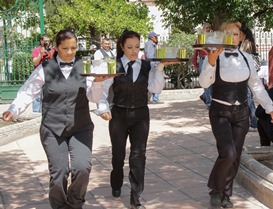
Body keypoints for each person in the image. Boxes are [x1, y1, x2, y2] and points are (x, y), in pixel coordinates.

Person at [2, 29, 108, 209]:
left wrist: (98, 82)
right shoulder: (45, 69)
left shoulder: (85, 67)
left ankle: (75, 203)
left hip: (80, 127)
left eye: (73, 48)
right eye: (65, 48)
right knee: (59, 172)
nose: (69, 52)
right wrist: (13, 110)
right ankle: (59, 205)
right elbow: (28, 92)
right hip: (53, 129)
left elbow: (94, 97)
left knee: (82, 168)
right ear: (57, 48)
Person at [198, 20, 273, 208]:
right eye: (229, 34)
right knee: (228, 153)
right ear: (222, 35)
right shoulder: (214, 57)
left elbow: (256, 86)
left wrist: (270, 107)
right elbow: (203, 83)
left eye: (236, 34)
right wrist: (210, 63)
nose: (233, 37)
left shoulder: (247, 58)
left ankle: (225, 194)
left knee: (236, 156)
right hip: (220, 112)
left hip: (241, 113)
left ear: (240, 36)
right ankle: (215, 188)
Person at [97, 30, 178, 209]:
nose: (134, 51)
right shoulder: (114, 65)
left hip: (141, 115)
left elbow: (155, 89)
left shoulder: (147, 66)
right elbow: (102, 90)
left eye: (137, 47)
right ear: (122, 47)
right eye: (129, 47)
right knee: (118, 155)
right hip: (118, 115)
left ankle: (136, 197)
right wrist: (102, 108)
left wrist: (160, 68)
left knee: (138, 155)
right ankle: (116, 182)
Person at [239, 23, 260, 132]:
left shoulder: (246, 44)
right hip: (249, 72)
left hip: (247, 73)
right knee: (248, 97)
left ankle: (254, 122)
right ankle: (252, 122)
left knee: (248, 98)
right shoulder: (248, 42)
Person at [31, 34, 55, 113]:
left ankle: (47, 112)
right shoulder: (36, 50)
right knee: (37, 96)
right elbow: (35, 62)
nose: (47, 43)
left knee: (48, 94)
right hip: (38, 75)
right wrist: (40, 54)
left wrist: (49, 54)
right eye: (45, 41)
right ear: (41, 41)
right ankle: (36, 113)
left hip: (49, 74)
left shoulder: (52, 50)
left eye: (48, 41)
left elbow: (54, 62)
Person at [192, 23, 212, 109]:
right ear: (203, 29)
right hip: (203, 60)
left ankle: (205, 96)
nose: (208, 29)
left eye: (209, 28)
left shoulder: (212, 38)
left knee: (211, 81)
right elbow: (195, 53)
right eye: (206, 28)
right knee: (205, 82)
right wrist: (195, 65)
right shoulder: (199, 39)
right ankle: (209, 103)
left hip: (211, 60)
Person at [144, 31, 162, 104]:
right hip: (153, 65)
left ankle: (153, 98)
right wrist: (155, 65)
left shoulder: (151, 44)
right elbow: (150, 56)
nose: (157, 38)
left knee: (152, 81)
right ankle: (155, 99)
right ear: (152, 37)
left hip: (151, 64)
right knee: (156, 81)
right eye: (156, 37)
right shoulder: (150, 44)